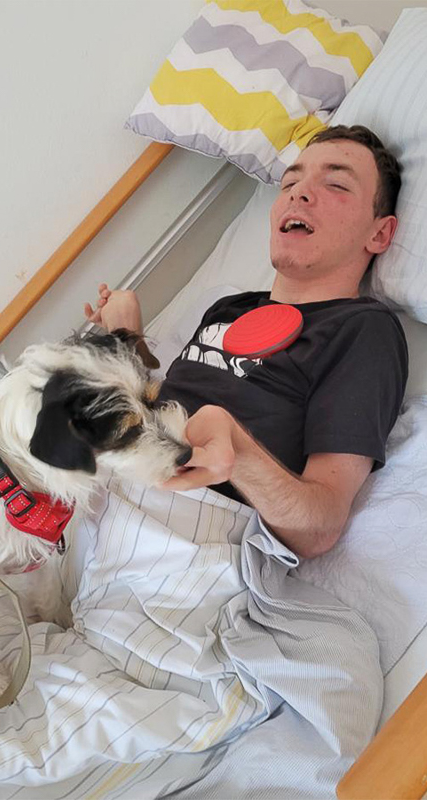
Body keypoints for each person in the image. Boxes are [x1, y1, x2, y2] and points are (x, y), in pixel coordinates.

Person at [84, 125, 408, 560]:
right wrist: (125, 340)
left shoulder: (363, 330)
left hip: (178, 533)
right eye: (289, 183)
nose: (299, 193)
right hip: (101, 483)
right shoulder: (228, 308)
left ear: (380, 234)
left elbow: (319, 528)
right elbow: (164, 411)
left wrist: (235, 448)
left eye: (336, 184)